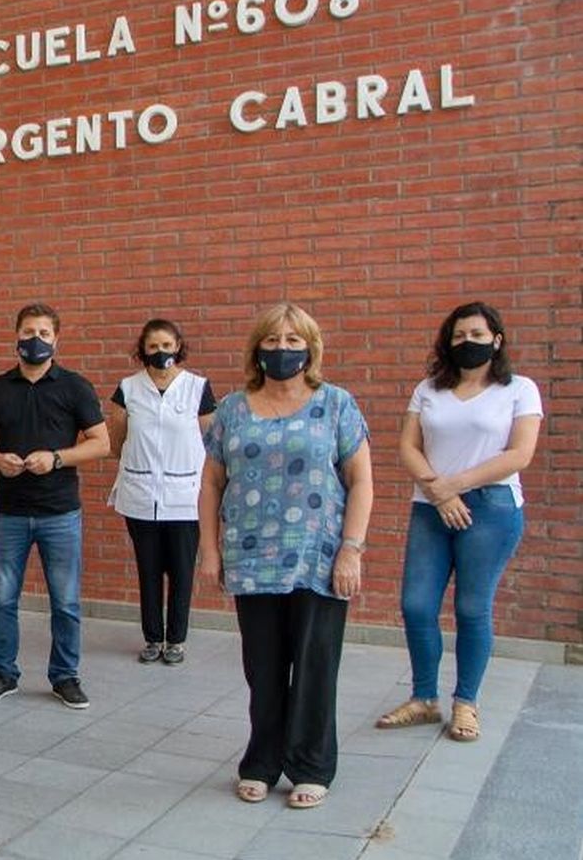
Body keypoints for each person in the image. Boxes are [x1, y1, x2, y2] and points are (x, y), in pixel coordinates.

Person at [198, 303, 372, 809]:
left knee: (315, 666)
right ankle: (262, 760)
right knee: (264, 668)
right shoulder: (232, 407)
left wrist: (351, 550)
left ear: (311, 349)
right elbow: (211, 483)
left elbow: (361, 480)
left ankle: (311, 765)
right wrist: (209, 548)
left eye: (294, 341)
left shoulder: (337, 403)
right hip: (252, 561)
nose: (283, 349)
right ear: (257, 348)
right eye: (273, 340)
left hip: (317, 559)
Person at [376, 302, 542, 743]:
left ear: (497, 339)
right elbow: (408, 447)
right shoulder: (428, 389)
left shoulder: (519, 389)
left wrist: (455, 486)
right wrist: (438, 489)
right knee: (416, 605)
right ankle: (423, 699)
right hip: (430, 508)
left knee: (472, 608)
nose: (467, 342)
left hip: (491, 507)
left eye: (476, 334)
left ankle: (466, 702)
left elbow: (519, 454)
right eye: (458, 336)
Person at [0, 303, 109, 710]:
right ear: (16, 335)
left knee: (65, 601)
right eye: (29, 331)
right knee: (2, 599)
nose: (36, 340)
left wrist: (57, 458)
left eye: (44, 333)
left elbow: (102, 442)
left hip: (60, 512)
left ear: (56, 339)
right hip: (8, 511)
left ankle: (65, 676)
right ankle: (3, 673)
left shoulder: (75, 387)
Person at [106, 319, 216, 665]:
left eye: (167, 345)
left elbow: (210, 441)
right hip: (140, 495)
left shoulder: (197, 387)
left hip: (185, 497)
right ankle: (153, 637)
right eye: (153, 346)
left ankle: (177, 640)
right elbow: (116, 439)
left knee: (182, 570)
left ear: (178, 346)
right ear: (143, 349)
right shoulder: (128, 387)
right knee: (149, 569)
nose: (160, 352)